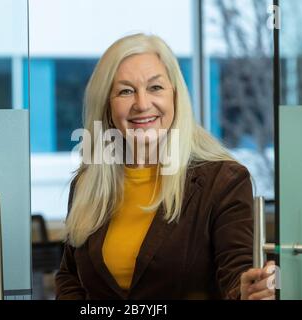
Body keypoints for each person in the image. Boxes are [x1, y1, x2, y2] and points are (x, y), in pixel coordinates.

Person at [55, 33, 275, 300]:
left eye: (155, 88)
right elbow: (70, 276)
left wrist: (247, 289)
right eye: (125, 91)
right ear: (106, 107)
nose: (142, 104)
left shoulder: (223, 181)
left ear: (175, 96)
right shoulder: (89, 183)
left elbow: (235, 273)